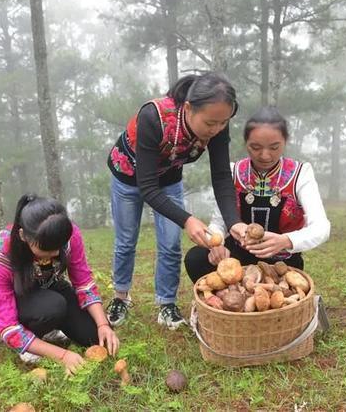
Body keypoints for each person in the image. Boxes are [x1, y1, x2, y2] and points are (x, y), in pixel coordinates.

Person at [106, 72, 248, 329]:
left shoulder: (217, 123)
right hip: (128, 178)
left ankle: (167, 304)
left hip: (168, 178)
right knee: (126, 240)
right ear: (189, 108)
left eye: (223, 122)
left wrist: (234, 221)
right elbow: (147, 187)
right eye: (210, 123)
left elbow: (221, 175)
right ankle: (120, 297)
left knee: (171, 244)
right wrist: (187, 219)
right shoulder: (153, 117)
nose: (216, 129)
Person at [0, 194, 119, 375]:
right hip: (17, 295)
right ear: (23, 236)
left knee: (93, 337)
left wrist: (103, 325)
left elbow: (83, 281)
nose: (54, 253)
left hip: (48, 283)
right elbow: (7, 326)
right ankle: (30, 342)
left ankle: (51, 327)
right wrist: (62, 355)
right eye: (45, 249)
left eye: (58, 248)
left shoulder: (67, 233)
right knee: (52, 307)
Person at [185, 107, 331, 283]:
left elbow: (321, 227)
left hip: (282, 262)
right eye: (255, 147)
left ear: (285, 141)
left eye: (274, 147)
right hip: (237, 258)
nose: (265, 155)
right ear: (246, 142)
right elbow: (219, 222)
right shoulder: (233, 172)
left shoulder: (300, 174)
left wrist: (286, 241)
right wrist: (216, 245)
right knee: (197, 258)